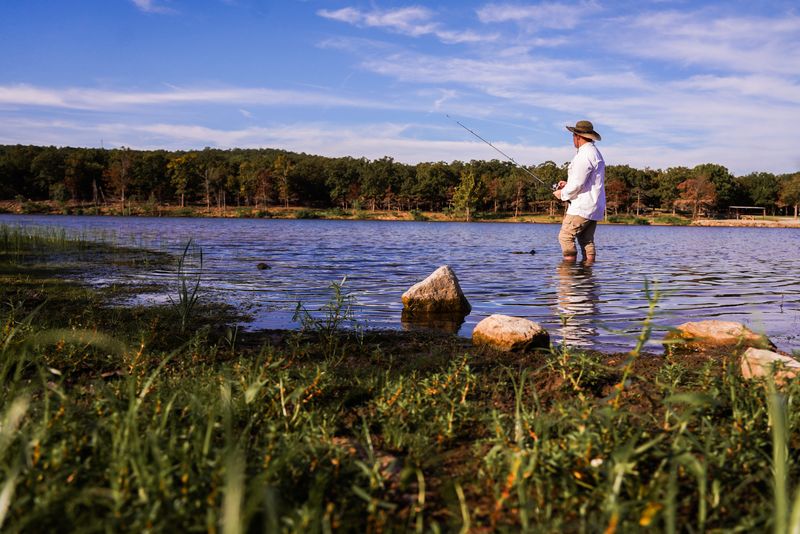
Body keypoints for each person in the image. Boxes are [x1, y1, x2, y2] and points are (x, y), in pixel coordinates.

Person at [553, 120, 606, 263]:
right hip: (594, 206)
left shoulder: (584, 155)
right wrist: (568, 184)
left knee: (565, 237)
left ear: (577, 136)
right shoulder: (595, 153)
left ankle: (568, 276)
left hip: (582, 207)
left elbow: (577, 183)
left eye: (573, 136)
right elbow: (585, 180)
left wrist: (562, 194)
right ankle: (587, 277)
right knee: (586, 240)